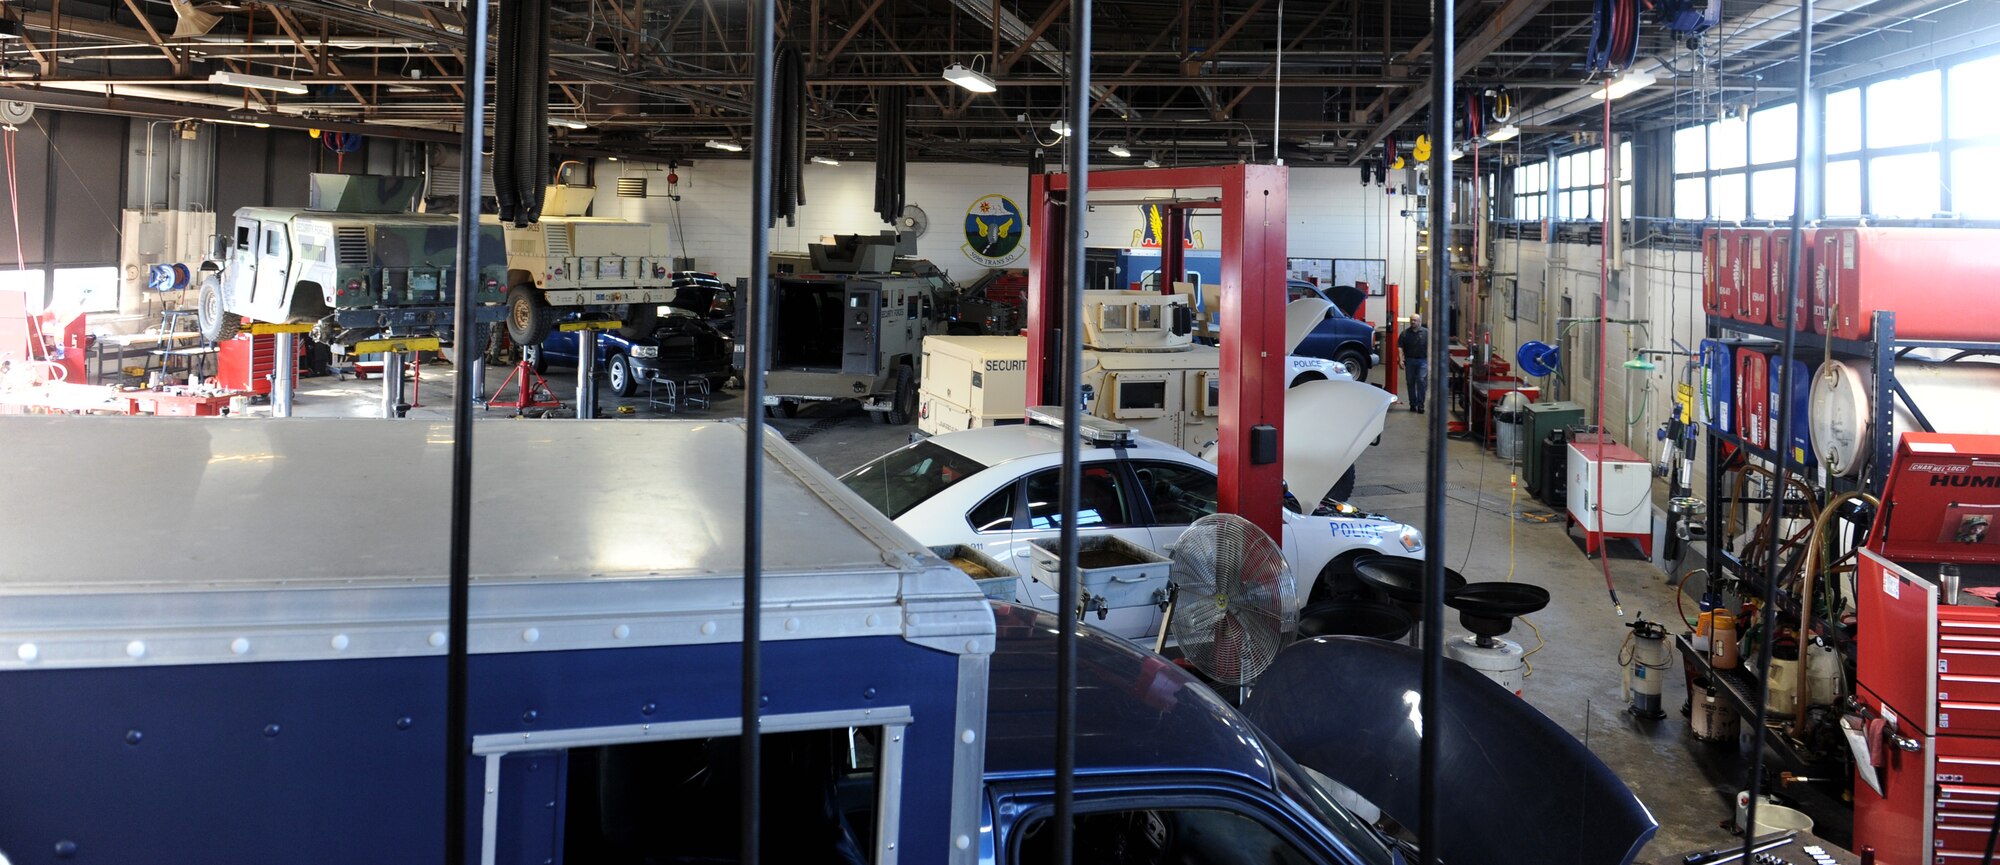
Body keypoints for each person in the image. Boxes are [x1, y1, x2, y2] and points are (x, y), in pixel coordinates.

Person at [1398, 316, 1429, 413]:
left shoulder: (1426, 333)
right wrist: (1401, 360)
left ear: (1419, 321)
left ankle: (1420, 405)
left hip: (1423, 361)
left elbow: (1432, 346)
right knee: (1410, 383)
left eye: (1415, 320)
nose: (1413, 322)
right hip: (1410, 361)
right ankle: (1412, 404)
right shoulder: (1405, 334)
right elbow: (1400, 347)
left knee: (1421, 381)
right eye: (1411, 320)